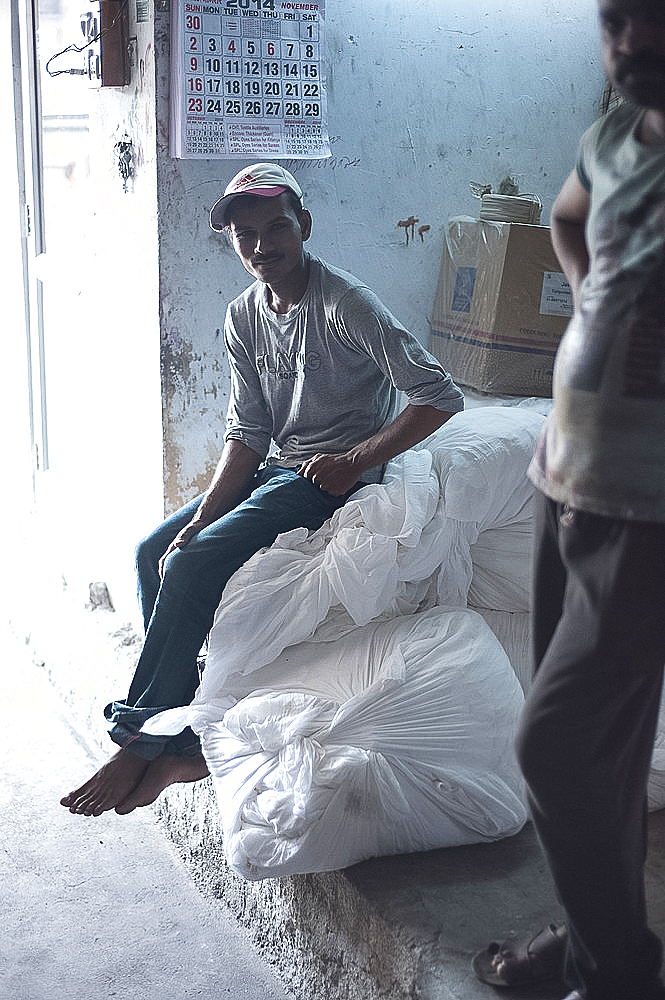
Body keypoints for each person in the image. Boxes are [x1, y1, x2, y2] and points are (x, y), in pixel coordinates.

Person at [60, 162, 464, 818]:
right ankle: (183, 727)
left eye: (276, 227)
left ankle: (140, 739)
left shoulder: (345, 304)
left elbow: (437, 397)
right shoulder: (244, 314)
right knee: (154, 552)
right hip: (276, 466)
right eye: (243, 235)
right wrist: (199, 520)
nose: (261, 245)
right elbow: (247, 432)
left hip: (327, 477)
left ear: (303, 226)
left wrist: (354, 458)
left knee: (189, 564)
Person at [473, 2, 665, 998]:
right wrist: (592, 294)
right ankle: (594, 937)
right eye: (615, 17)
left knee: (551, 746)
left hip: (649, 518)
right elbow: (564, 216)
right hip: (565, 487)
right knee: (603, 759)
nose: (631, 39)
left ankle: (618, 971)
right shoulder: (608, 139)